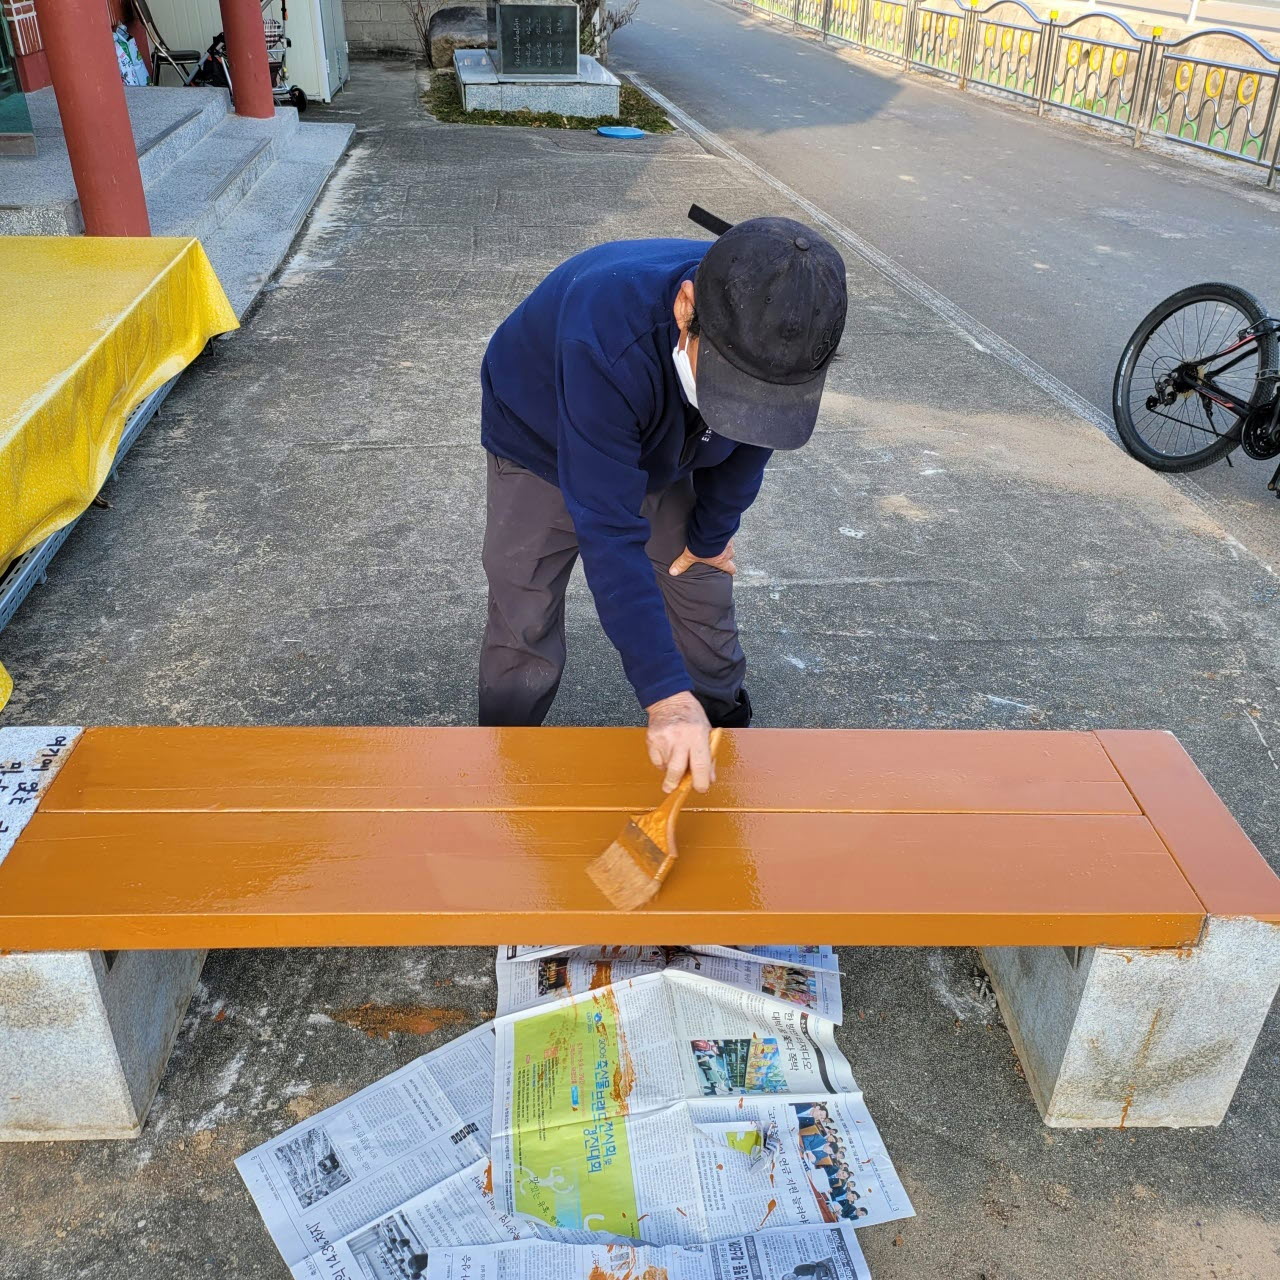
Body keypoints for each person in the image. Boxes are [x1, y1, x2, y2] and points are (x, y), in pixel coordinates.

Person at [478, 215, 847, 791]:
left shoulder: (785, 318)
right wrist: (665, 695)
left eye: (763, 394)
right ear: (685, 308)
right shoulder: (603, 336)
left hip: (669, 435)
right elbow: (608, 529)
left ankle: (717, 744)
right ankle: (503, 753)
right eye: (731, 384)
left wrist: (710, 535)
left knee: (700, 587)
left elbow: (755, 436)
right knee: (524, 606)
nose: (746, 405)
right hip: (542, 434)